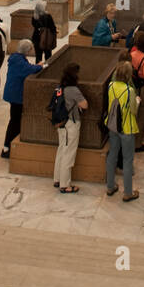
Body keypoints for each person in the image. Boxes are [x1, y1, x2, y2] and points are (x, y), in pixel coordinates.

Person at [105, 62, 140, 201]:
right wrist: (137, 101)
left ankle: (110, 185)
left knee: (112, 155)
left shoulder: (111, 86)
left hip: (113, 126)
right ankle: (128, 192)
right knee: (127, 159)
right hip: (127, 127)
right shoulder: (129, 90)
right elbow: (133, 110)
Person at [1, 40, 42, 158]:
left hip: (14, 93)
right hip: (16, 95)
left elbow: (28, 67)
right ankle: (6, 147)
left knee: (15, 120)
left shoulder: (17, 58)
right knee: (14, 121)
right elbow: (29, 69)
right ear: (27, 50)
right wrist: (40, 66)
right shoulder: (18, 61)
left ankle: (11, 144)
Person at [53, 61, 87, 193]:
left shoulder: (59, 88)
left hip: (60, 123)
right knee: (69, 153)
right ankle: (65, 184)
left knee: (61, 149)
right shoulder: (73, 90)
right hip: (71, 124)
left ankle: (57, 179)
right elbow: (85, 105)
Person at [129, 30, 144, 151]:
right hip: (143, 88)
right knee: (142, 115)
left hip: (133, 87)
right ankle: (137, 143)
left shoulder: (132, 54)